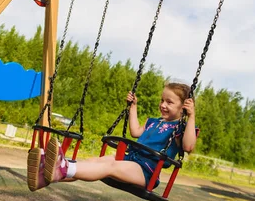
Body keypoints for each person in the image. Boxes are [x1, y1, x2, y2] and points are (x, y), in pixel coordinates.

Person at [27, 82, 197, 192]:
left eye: (169, 102)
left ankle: (61, 167)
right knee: (96, 161)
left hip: (146, 171)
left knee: (110, 167)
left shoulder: (180, 128)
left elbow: (188, 146)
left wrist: (191, 117)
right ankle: (45, 175)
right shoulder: (153, 121)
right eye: (162, 100)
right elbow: (136, 132)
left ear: (183, 107)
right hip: (130, 158)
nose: (163, 105)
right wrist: (133, 107)